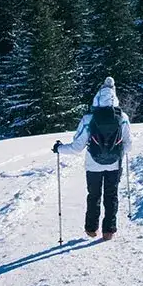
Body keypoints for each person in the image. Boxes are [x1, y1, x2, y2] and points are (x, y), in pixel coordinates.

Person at [52, 77, 134, 240]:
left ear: (97, 97)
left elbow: (77, 147)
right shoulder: (122, 117)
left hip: (93, 165)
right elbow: (129, 144)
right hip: (115, 164)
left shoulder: (89, 118)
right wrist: (117, 153)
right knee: (111, 196)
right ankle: (109, 231)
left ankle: (91, 229)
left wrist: (59, 148)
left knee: (94, 195)